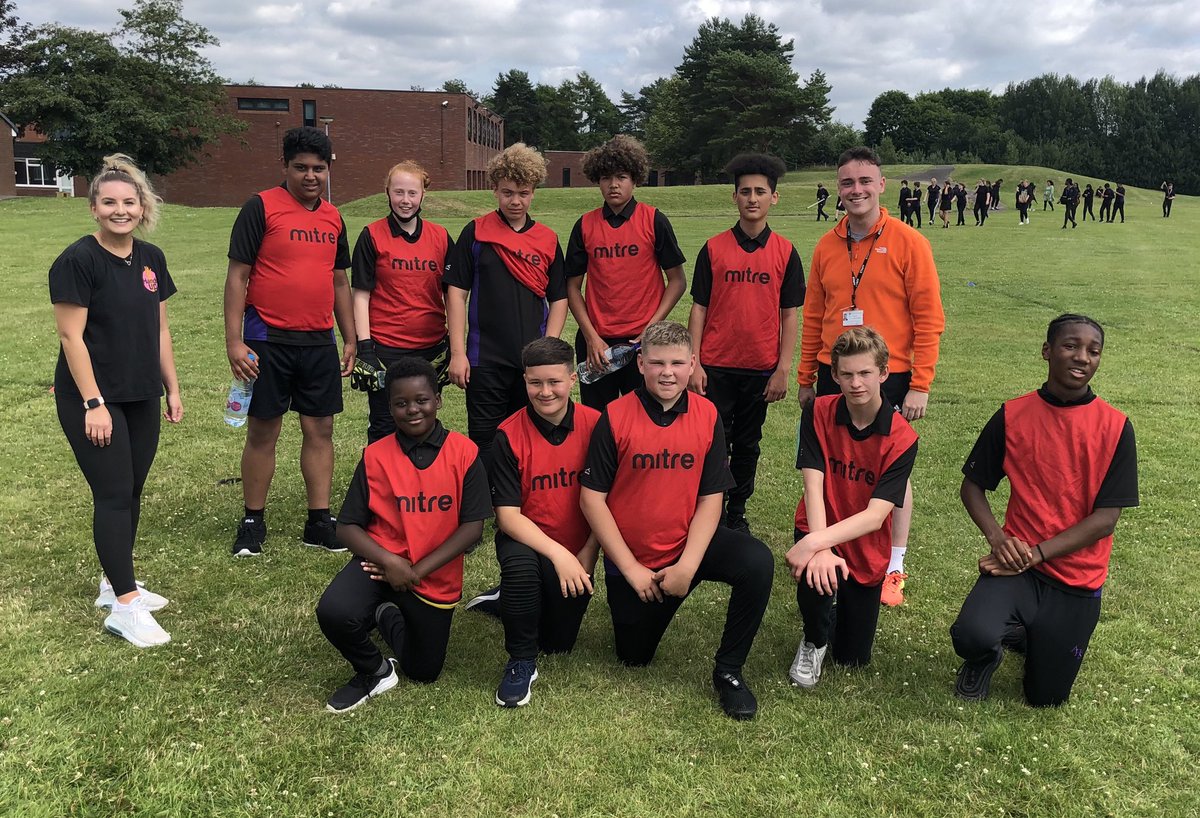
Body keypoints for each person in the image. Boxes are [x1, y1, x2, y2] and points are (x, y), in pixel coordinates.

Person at [580, 321, 774, 720]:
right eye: (657, 363)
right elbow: (592, 499)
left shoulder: (707, 414)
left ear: (692, 365)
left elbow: (711, 497)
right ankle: (654, 592)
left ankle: (729, 671)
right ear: (640, 364)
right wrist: (631, 569)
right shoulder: (614, 416)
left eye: (676, 363)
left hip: (691, 545)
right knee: (633, 657)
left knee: (757, 562)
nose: (667, 372)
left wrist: (688, 565)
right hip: (639, 562)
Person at [951, 314, 1138, 706]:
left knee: (1046, 698)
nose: (1082, 357)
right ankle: (987, 653)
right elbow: (973, 486)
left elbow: (1105, 521)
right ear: (1047, 351)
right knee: (971, 634)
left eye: (1093, 351)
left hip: (1075, 578)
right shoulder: (1013, 414)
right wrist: (998, 538)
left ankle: (1024, 633)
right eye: (1071, 345)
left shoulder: (1116, 427)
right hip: (1016, 567)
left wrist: (1036, 554)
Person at [797, 146, 945, 608]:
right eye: (847, 183)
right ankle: (830, 545)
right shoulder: (826, 244)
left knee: (891, 472)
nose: (855, 190)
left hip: (890, 374)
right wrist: (806, 374)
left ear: (883, 186)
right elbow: (814, 315)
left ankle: (894, 564)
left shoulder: (909, 241)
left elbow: (929, 317)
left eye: (865, 181)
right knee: (831, 464)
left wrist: (920, 382)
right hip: (832, 370)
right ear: (837, 189)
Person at [51, 153, 183, 647]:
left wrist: (171, 387)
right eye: (109, 202)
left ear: (143, 207)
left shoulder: (152, 259)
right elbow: (72, 338)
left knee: (131, 491)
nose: (120, 210)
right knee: (111, 492)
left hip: (141, 393)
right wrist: (93, 403)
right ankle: (125, 608)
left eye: (129, 202)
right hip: (94, 398)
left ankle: (115, 583)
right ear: (93, 208)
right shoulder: (78, 260)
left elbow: (161, 328)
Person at [315, 357, 492, 713]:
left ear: (438, 400)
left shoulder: (464, 453)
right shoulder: (376, 456)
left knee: (424, 671)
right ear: (389, 405)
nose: (412, 409)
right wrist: (389, 561)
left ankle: (384, 615)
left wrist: (415, 571)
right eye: (400, 403)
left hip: (432, 574)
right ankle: (375, 672)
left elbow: (472, 528)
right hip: (382, 564)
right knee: (334, 611)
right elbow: (347, 526)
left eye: (421, 400)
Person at [224, 126, 356, 557]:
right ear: (285, 166)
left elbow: (339, 281)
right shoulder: (260, 207)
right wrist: (234, 341)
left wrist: (350, 336)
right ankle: (252, 520)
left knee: (320, 428)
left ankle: (319, 520)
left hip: (317, 341)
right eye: (301, 167)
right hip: (267, 338)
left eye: (319, 168)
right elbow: (238, 276)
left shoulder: (334, 217)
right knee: (264, 429)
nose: (310, 176)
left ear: (329, 168)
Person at [786, 327, 918, 687]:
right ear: (835, 375)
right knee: (817, 577)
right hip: (820, 522)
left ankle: (839, 608)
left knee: (852, 658)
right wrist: (820, 545)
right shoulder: (818, 410)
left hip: (864, 537)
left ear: (884, 374)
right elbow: (813, 484)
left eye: (865, 373)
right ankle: (813, 639)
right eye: (846, 374)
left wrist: (811, 545)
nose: (856, 383)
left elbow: (876, 517)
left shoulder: (903, 437)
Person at [688, 153, 805, 533]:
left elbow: (790, 315)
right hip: (716, 367)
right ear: (734, 197)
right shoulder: (713, 248)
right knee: (712, 442)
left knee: (748, 444)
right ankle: (710, 511)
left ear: (775, 197)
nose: (752, 198)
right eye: (745, 192)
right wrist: (695, 362)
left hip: (760, 370)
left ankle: (736, 511)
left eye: (760, 191)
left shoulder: (786, 253)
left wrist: (783, 369)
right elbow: (699, 308)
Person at [487, 337, 601, 707]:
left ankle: (508, 600)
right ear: (524, 382)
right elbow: (507, 516)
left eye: (554, 381)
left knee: (559, 644)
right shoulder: (507, 435)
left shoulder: (598, 425)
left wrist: (586, 552)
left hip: (579, 547)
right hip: (528, 539)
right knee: (520, 569)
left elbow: (607, 501)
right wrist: (559, 556)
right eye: (535, 383)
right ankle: (521, 660)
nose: (545, 391)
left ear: (572, 379)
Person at [445, 143, 568, 469]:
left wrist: (548, 350)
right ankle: (489, 505)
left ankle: (523, 500)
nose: (516, 201)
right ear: (494, 190)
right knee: (485, 439)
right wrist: (458, 353)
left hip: (531, 360)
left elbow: (558, 299)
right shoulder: (476, 232)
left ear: (534, 192)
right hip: (484, 358)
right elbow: (456, 293)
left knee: (531, 434)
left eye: (524, 193)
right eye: (508, 193)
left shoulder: (548, 238)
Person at [565, 135, 686, 410]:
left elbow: (677, 281)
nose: (613, 184)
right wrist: (591, 336)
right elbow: (571, 287)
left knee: (645, 418)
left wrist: (651, 327)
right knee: (598, 423)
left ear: (635, 179)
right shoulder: (584, 225)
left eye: (621, 176)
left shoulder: (654, 220)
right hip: (597, 344)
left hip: (643, 342)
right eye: (606, 177)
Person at [350, 161, 453, 442]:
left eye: (412, 193)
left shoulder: (441, 237)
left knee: (424, 421)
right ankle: (382, 484)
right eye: (398, 192)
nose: (405, 201)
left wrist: (455, 345)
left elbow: (452, 295)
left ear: (423, 195)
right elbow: (361, 294)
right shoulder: (371, 235)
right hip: (386, 349)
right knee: (385, 423)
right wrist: (365, 348)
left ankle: (421, 482)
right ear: (387, 193)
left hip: (432, 348)